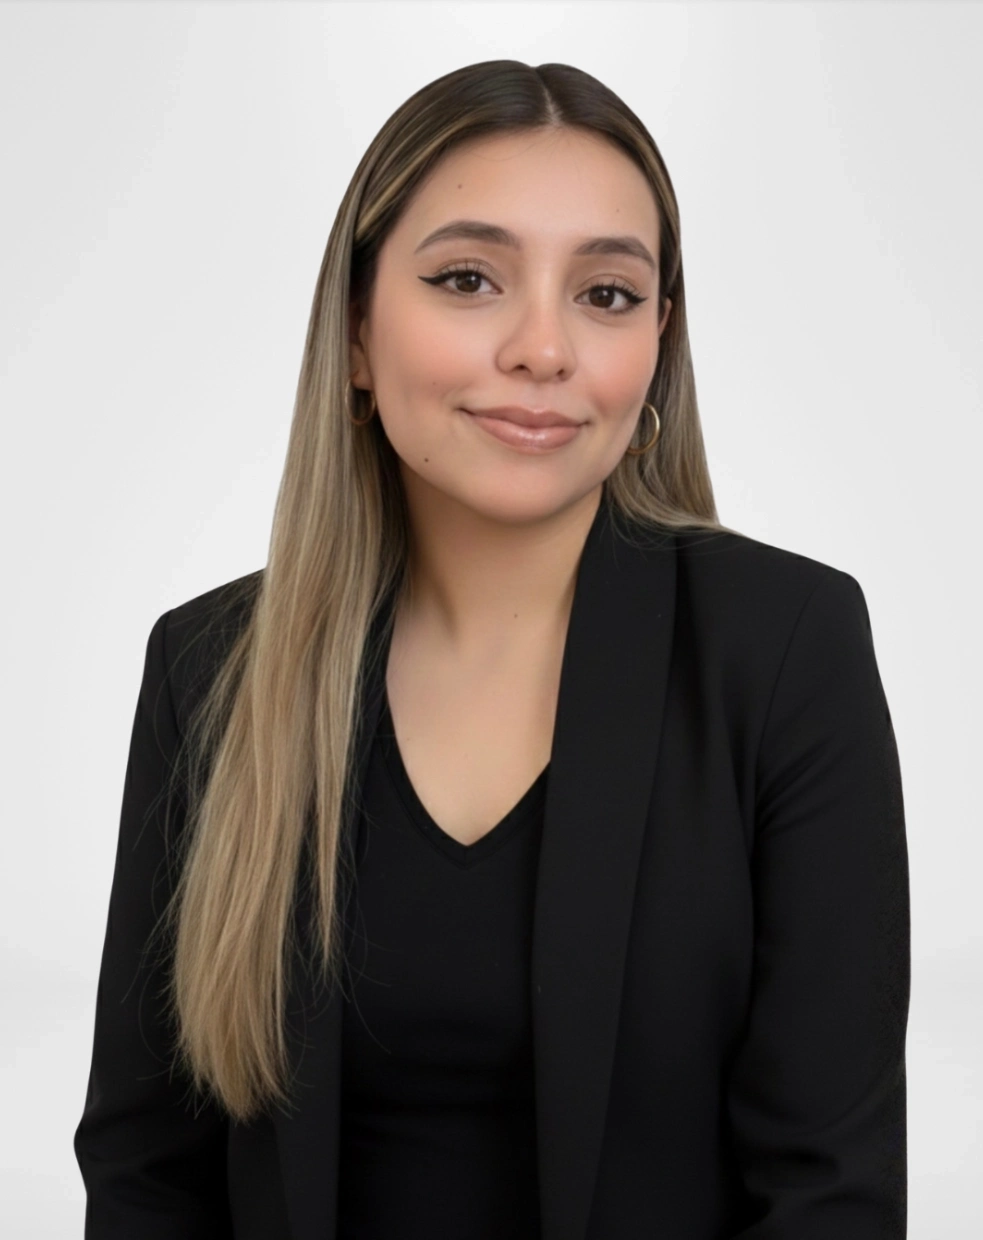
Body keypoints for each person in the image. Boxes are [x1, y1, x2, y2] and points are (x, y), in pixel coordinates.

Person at [73, 59, 910, 1240]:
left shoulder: (782, 653)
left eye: (606, 294)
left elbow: (830, 1194)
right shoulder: (211, 669)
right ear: (357, 331)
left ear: (657, 346)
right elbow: (147, 1173)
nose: (542, 348)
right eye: (468, 279)